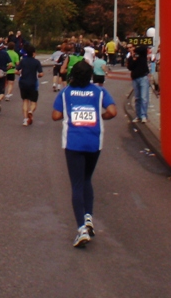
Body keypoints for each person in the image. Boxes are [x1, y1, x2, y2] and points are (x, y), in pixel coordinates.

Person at [52, 61, 117, 247]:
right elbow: (112, 111)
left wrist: (72, 114)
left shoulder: (66, 93)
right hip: (94, 142)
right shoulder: (99, 92)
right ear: (90, 76)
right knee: (87, 179)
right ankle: (88, 217)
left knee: (77, 184)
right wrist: (100, 116)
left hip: (73, 142)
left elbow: (55, 116)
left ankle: (81, 229)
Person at [16, 46, 44, 125]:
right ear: (33, 53)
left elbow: (16, 71)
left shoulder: (23, 61)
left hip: (23, 82)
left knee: (25, 101)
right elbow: (41, 73)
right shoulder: (36, 62)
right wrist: (39, 75)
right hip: (33, 83)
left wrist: (20, 74)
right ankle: (31, 111)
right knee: (34, 102)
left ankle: (25, 120)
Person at [127, 42, 150, 123]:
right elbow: (130, 67)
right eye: (128, 48)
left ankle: (144, 115)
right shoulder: (130, 58)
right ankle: (138, 115)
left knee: (144, 97)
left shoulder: (141, 54)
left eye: (131, 47)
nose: (130, 49)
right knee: (137, 98)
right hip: (135, 78)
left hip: (143, 77)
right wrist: (133, 60)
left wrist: (135, 51)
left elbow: (144, 47)